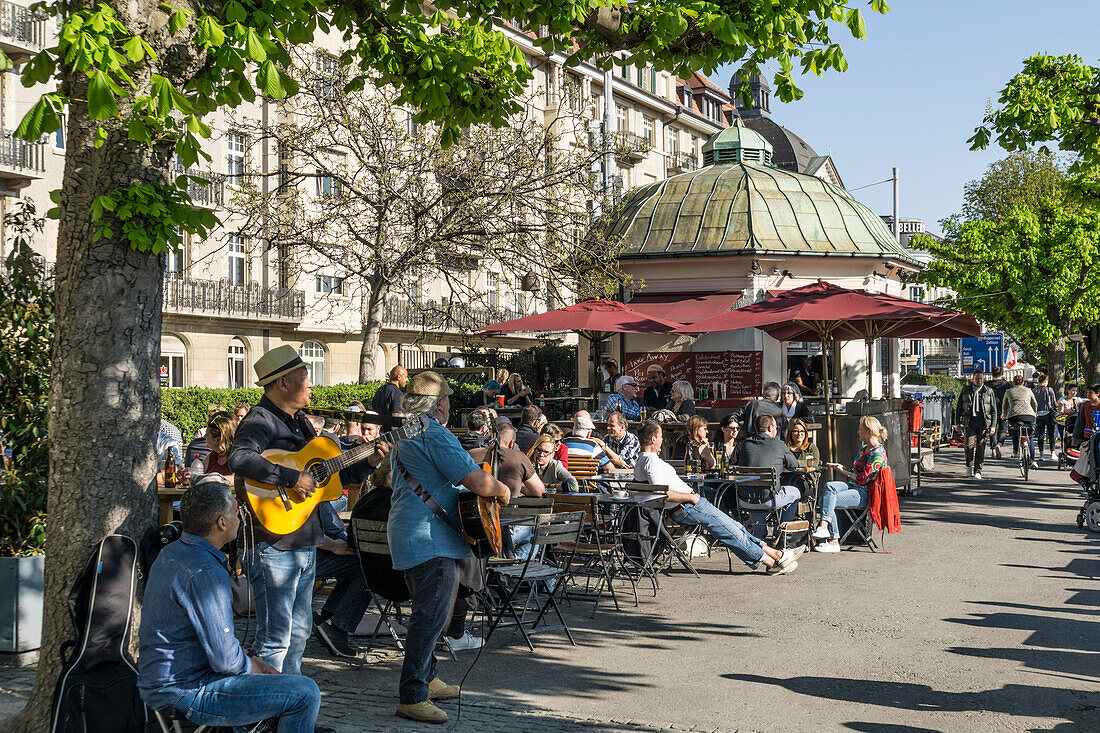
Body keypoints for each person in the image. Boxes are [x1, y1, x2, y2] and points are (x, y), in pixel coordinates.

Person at [228, 345, 388, 676]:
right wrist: (290, 477)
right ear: (283, 383)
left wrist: (369, 462)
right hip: (273, 543)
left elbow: (330, 478)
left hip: (304, 540)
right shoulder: (260, 420)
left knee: (298, 635)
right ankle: (263, 720)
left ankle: (289, 714)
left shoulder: (300, 421)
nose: (311, 383)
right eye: (304, 376)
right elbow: (240, 459)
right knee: (275, 639)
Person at [138, 476, 321, 733]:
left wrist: (253, 662)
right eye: (237, 512)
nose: (242, 517)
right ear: (221, 523)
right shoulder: (204, 571)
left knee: (279, 680)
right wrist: (255, 666)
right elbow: (225, 660)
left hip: (164, 681)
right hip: (185, 691)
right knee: (305, 692)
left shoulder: (173, 552)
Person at [387, 371, 511, 723]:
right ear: (440, 403)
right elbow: (475, 480)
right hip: (430, 538)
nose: (449, 404)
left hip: (412, 532)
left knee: (430, 613)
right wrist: (501, 490)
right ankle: (412, 695)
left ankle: (428, 677)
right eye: (448, 399)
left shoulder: (408, 433)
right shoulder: (434, 432)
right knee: (429, 619)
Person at [633, 421, 800, 574]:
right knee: (729, 531)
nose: (662, 439)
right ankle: (773, 563)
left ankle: (776, 554)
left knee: (734, 526)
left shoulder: (643, 460)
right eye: (661, 436)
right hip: (685, 506)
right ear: (654, 439)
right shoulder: (651, 461)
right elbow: (662, 493)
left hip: (687, 504)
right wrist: (691, 498)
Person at [814, 416, 888, 553]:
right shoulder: (864, 448)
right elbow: (856, 472)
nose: (858, 432)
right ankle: (824, 528)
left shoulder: (878, 455)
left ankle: (833, 539)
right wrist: (843, 468)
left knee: (827, 500)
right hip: (852, 485)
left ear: (869, 431)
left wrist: (844, 472)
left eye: (860, 429)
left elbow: (862, 479)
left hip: (864, 493)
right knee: (829, 487)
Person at [313, 500, 371, 659]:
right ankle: (337, 628)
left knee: (360, 563)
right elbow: (297, 528)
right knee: (367, 569)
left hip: (315, 544)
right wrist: (333, 545)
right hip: (299, 551)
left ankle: (327, 616)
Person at [736, 414, 801, 536]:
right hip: (769, 499)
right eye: (776, 427)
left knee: (757, 493)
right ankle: (781, 534)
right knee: (795, 493)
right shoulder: (779, 444)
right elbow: (794, 464)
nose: (777, 430)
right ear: (771, 428)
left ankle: (760, 537)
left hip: (745, 499)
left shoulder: (745, 444)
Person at [468, 423, 546, 499]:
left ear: (489, 438)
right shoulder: (519, 457)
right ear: (511, 443)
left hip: (474, 510)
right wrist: (522, 489)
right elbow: (540, 491)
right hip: (508, 510)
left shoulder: (471, 454)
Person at [954, 368, 998, 480]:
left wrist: (993, 425)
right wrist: (957, 423)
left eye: (981, 379)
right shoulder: (965, 390)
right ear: (973, 378)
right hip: (969, 421)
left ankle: (978, 470)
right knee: (969, 446)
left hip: (983, 422)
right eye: (977, 378)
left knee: (981, 446)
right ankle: (969, 466)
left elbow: (994, 410)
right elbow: (959, 407)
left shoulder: (988, 391)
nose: (979, 381)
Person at [1002, 374, 1038, 469]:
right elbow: (1034, 403)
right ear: (1023, 383)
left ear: (1013, 383)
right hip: (1029, 415)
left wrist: (1004, 415)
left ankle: (1015, 452)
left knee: (1015, 431)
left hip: (1014, 416)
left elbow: (1005, 405)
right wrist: (1034, 413)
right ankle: (1033, 460)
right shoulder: (1028, 390)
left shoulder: (1008, 391)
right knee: (1030, 437)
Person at [987, 366, 1012, 458]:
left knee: (992, 429)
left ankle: (993, 449)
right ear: (1001, 374)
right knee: (1003, 430)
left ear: (992, 374)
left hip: (990, 411)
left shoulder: (987, 385)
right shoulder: (1006, 384)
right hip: (1003, 410)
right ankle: (999, 444)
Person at [1032, 373, 1057, 460]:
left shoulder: (1034, 390)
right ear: (1045, 381)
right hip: (1048, 414)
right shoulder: (1049, 390)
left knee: (1040, 434)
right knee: (1051, 434)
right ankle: (1052, 453)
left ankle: (1041, 454)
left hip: (1038, 414)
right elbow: (1054, 403)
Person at [203, 411, 236, 476]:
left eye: (207, 435)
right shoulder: (211, 457)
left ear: (218, 440)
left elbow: (238, 480)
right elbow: (199, 476)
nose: (204, 436)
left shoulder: (235, 457)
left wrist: (214, 479)